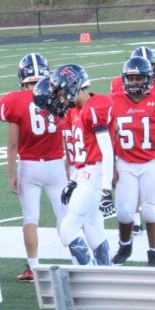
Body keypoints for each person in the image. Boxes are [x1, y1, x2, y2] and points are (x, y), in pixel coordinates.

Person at [33, 65, 113, 266]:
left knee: (67, 230)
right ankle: (106, 272)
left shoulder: (95, 106)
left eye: (60, 90)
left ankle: (89, 275)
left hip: (94, 174)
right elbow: (80, 154)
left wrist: (106, 189)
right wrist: (73, 181)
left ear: (72, 84)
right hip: (86, 174)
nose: (60, 96)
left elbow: (107, 151)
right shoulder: (77, 110)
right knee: (94, 228)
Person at [0, 53, 66, 281]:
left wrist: (10, 174)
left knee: (30, 219)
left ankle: (34, 268)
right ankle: (79, 261)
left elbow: (12, 143)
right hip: (57, 164)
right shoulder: (58, 95)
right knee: (65, 217)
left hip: (29, 166)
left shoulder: (13, 101)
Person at [110, 57, 155, 266]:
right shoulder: (113, 101)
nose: (133, 82)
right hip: (124, 161)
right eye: (130, 78)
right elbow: (109, 137)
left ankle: (154, 253)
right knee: (124, 211)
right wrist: (111, 167)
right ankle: (125, 245)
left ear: (148, 79)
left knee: (150, 211)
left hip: (152, 161)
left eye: (138, 78)